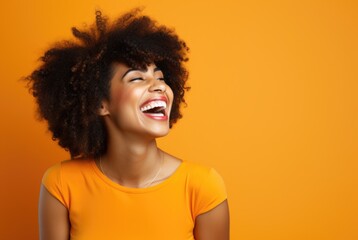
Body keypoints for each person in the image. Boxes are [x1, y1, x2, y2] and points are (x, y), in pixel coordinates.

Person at [27, 8, 229, 240]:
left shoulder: (203, 186)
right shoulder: (61, 184)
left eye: (160, 77)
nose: (159, 86)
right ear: (100, 104)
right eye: (137, 78)